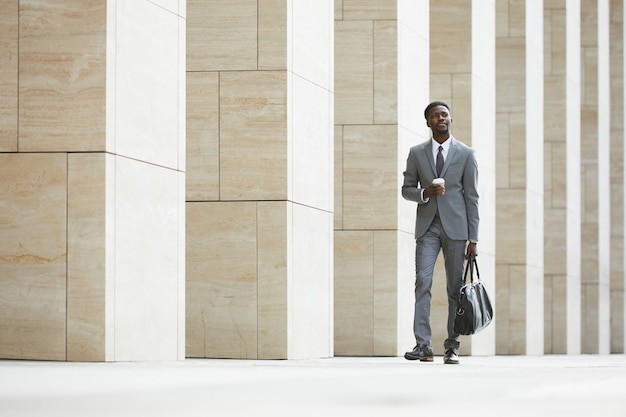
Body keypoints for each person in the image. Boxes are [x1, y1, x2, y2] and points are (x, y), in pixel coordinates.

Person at [401, 101, 479, 365]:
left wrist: (474, 238)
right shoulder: (416, 153)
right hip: (428, 227)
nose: (440, 118)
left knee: (455, 289)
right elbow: (406, 188)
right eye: (435, 116)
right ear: (428, 122)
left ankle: (452, 346)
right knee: (423, 282)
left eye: (444, 114)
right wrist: (425, 193)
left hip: (457, 230)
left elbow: (472, 197)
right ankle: (423, 345)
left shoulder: (467, 154)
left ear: (451, 119)